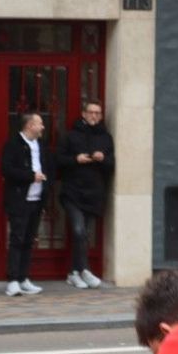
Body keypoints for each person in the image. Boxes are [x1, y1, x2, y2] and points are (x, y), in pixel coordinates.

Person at [56, 100, 113, 289]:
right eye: (91, 112)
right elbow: (58, 160)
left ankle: (74, 272)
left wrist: (103, 158)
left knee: (84, 234)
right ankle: (84, 269)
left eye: (98, 113)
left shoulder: (106, 138)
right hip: (72, 191)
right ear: (83, 114)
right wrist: (76, 159)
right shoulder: (71, 136)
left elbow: (112, 165)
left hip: (93, 192)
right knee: (79, 230)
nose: (94, 116)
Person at [1, 111, 50, 296]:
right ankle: (13, 280)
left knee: (29, 240)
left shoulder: (41, 145)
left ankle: (23, 278)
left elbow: (48, 167)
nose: (43, 127)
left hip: (37, 199)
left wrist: (46, 184)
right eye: (40, 123)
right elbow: (7, 169)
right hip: (19, 199)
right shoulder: (13, 144)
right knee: (17, 239)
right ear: (30, 126)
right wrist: (31, 176)